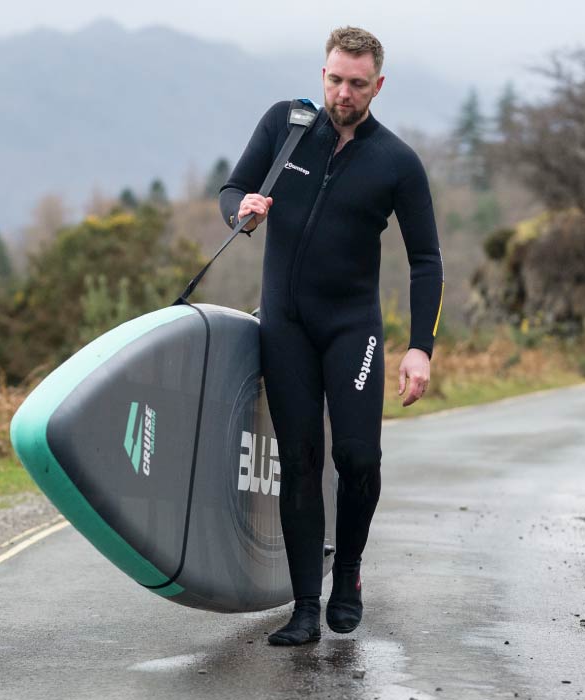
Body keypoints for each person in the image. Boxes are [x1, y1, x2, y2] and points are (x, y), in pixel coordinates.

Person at [219, 26, 444, 646]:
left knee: (358, 457)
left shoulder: (396, 161)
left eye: (357, 83)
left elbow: (426, 259)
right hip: (285, 324)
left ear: (378, 84)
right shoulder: (284, 127)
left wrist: (419, 346)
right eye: (334, 79)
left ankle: (348, 573)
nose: (343, 94)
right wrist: (241, 212)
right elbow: (233, 188)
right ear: (323, 73)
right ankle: (306, 608)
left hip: (352, 327)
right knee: (299, 461)